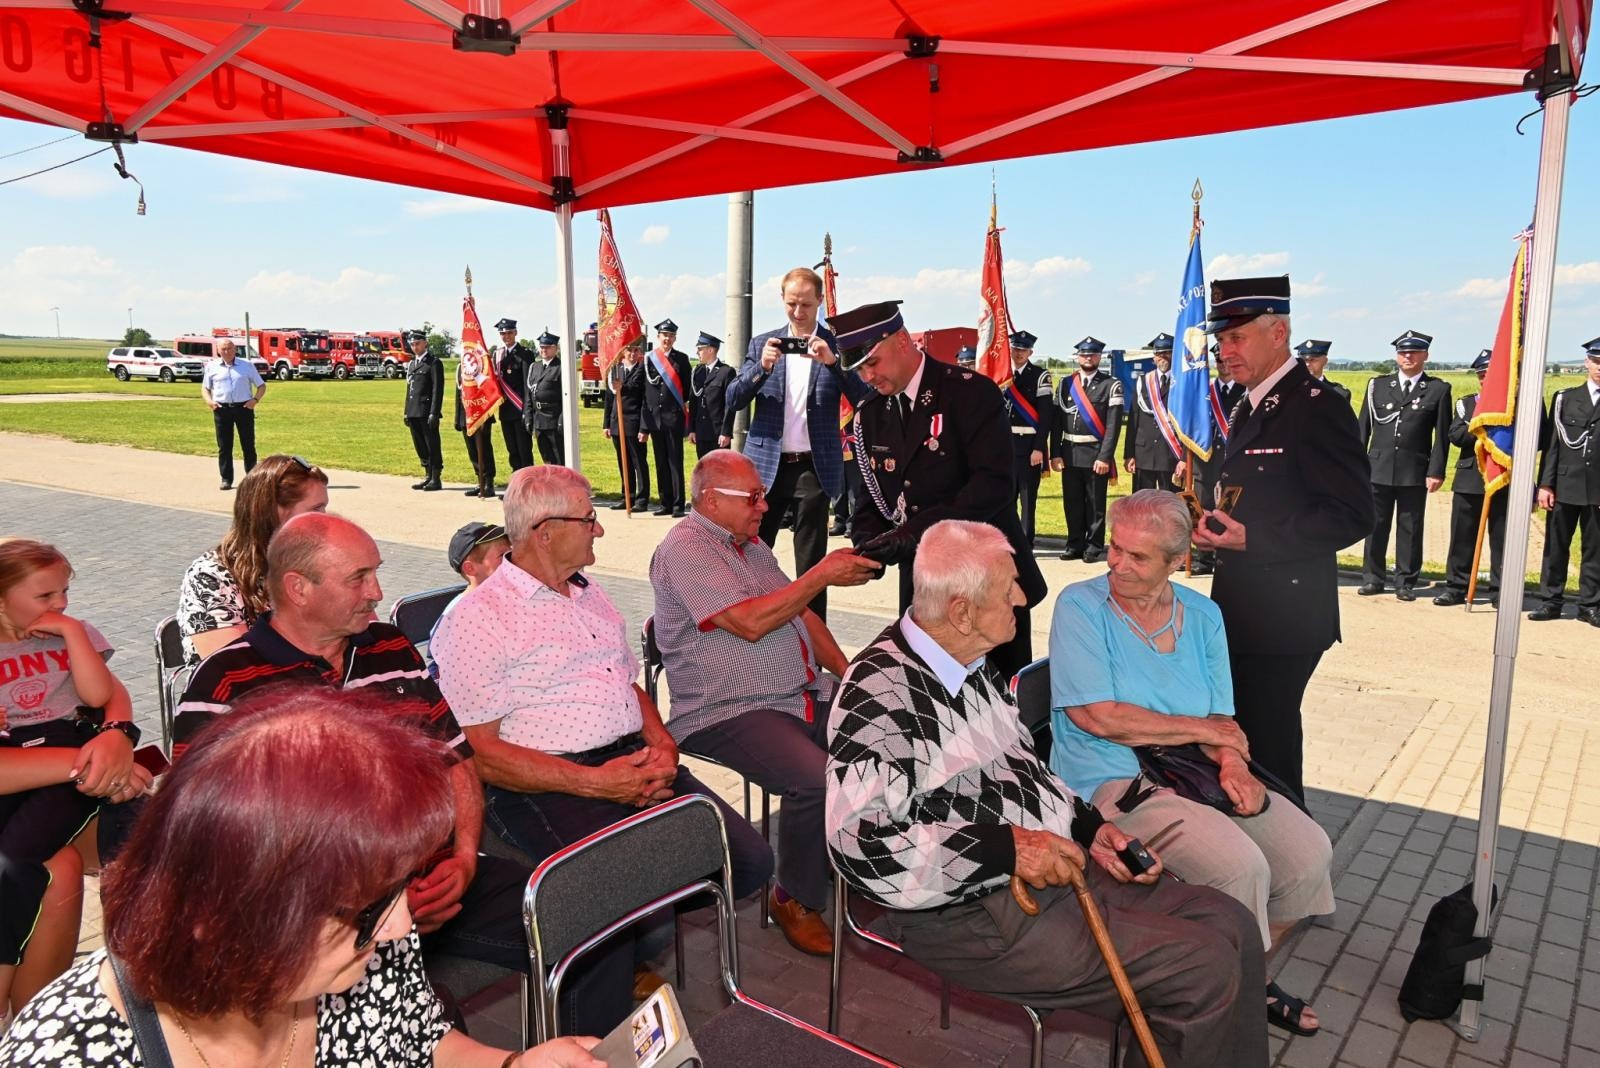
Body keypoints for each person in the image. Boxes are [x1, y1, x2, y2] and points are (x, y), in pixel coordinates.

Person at [827, 520, 1267, 1068]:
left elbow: (1023, 771)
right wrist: (1010, 847)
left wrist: (1091, 828)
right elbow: (859, 846)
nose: (1023, 596)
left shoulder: (965, 662)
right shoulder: (882, 694)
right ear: (962, 611)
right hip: (967, 912)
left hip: (1047, 871)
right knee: (1202, 968)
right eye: (1010, 585)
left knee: (1231, 923)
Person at [0, 692, 603, 1068]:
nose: (399, 928)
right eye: (368, 908)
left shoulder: (362, 949)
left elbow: (418, 1044)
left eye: (397, 889)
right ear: (234, 912)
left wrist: (512, 1065)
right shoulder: (71, 1050)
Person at [171, 513, 569, 1026]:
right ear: (298, 588)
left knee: (578, 916)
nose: (377, 592)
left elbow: (456, 759)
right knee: (428, 1023)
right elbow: (203, 836)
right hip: (322, 917)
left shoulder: (389, 648)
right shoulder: (226, 683)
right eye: (358, 578)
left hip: (437, 881)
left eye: (375, 573)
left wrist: (465, 858)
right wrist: (374, 904)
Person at [429, 467, 775, 1007]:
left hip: (628, 759)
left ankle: (638, 926)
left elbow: (625, 682)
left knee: (748, 862)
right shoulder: (479, 617)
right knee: (608, 904)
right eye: (590, 519)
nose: (601, 530)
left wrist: (661, 743)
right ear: (545, 531)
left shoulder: (588, 592)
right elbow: (483, 756)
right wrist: (598, 784)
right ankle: (608, 984)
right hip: (544, 783)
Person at [1048, 490, 1335, 1037]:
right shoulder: (1081, 606)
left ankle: (1245, 979)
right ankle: (1224, 1012)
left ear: (1176, 562)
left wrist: (1233, 765)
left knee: (1307, 855)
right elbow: (1099, 718)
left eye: (1138, 557)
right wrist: (1207, 733)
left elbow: (1221, 715)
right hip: (1114, 777)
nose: (1117, 564)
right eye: (1114, 548)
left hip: (1195, 771)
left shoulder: (1203, 614)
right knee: (1240, 866)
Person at [650, 451, 881, 955]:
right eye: (752, 496)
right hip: (726, 709)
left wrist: (848, 676)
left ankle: (861, 865)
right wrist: (817, 576)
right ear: (710, 500)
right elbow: (750, 622)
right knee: (815, 779)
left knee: (882, 737)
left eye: (762, 494)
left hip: (795, 696)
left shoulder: (750, 546)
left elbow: (801, 615)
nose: (764, 504)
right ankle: (793, 897)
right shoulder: (685, 548)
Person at [1191, 276, 1374, 804]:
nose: (1224, 352)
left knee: (1267, 740)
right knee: (1251, 731)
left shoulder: (1317, 405)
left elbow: (1352, 514)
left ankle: (1291, 850)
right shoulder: (1254, 402)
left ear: (1280, 333)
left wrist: (1253, 539)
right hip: (1248, 605)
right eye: (1221, 341)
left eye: (1237, 338)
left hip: (1286, 615)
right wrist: (1220, 531)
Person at [836, 300, 1048, 679]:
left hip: (987, 580)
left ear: (902, 341)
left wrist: (912, 535)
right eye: (859, 368)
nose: (866, 376)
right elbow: (873, 496)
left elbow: (993, 486)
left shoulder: (970, 394)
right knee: (928, 694)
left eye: (872, 362)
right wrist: (869, 544)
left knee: (1003, 699)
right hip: (924, 583)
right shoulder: (871, 412)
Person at [0, 539, 148, 1028]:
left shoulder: (67, 635)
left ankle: (135, 977)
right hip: (40, 765)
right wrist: (100, 764)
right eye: (45, 597)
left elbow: (103, 693)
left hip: (64, 756)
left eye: (63, 591)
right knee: (30, 864)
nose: (60, 604)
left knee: (131, 845)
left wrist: (114, 741)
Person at [727, 267, 871, 620]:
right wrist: (760, 369)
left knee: (811, 568)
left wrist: (834, 364)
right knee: (752, 556)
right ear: (781, 300)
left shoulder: (837, 345)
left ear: (820, 301)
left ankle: (812, 650)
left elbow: (866, 398)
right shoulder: (763, 343)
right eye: (791, 303)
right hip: (765, 468)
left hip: (813, 468)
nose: (798, 312)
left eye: (806, 304)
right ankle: (753, 631)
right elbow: (733, 399)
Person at [176, 454, 329, 663]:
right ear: (272, 513)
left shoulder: (319, 564)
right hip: (241, 691)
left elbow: (365, 638)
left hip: (323, 688)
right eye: (316, 509)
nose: (325, 520)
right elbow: (232, 670)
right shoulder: (210, 577)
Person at [1357, 330, 1452, 600]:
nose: (1407, 356)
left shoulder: (1437, 389)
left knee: (1410, 527)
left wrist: (1436, 470)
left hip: (1414, 470)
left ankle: (1405, 582)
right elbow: (1363, 428)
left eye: (1413, 352)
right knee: (1375, 525)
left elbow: (1441, 437)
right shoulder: (1377, 385)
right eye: (1402, 352)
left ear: (1425, 356)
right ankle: (1373, 578)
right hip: (1378, 467)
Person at [1529, 337, 1600, 624]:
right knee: (1556, 546)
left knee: (1595, 549)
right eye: (1595, 360)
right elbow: (1553, 446)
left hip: (1597, 489)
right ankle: (1550, 601)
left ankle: (1590, 605)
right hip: (1564, 485)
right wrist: (1545, 484)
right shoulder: (1565, 398)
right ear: (1586, 362)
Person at [1435, 350, 1508, 607]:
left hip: (1503, 477)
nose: (1485, 379)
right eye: (1482, 375)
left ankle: (1501, 590)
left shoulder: (1514, 404)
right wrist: (1484, 426)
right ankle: (1456, 586)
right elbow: (1455, 435)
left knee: (1502, 538)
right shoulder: (1467, 404)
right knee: (1462, 536)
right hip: (1470, 478)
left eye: (1491, 375)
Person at [1050, 336, 1123, 563]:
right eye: (1083, 354)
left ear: (1099, 357)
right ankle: (1074, 544)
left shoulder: (1111, 385)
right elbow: (1056, 422)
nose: (1087, 358)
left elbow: (1113, 427)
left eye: (1092, 354)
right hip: (1070, 450)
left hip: (1095, 453)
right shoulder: (1065, 384)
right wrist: (1055, 453)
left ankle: (1093, 545)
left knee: (1094, 503)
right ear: (1078, 357)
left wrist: (1105, 457)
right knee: (1071, 501)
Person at [1181, 351, 1245, 577]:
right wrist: (1182, 460)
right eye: (1219, 361)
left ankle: (1224, 556)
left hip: (1230, 463)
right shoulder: (1202, 392)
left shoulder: (1245, 392)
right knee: (1198, 509)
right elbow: (1186, 427)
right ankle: (1203, 558)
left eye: (1228, 360)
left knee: (1227, 511)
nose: (1224, 365)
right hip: (1202, 462)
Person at [1002, 329, 1055, 545]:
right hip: (1005, 445)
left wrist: (1038, 448)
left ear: (1030, 352)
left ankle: (1025, 541)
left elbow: (1046, 417)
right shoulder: (1002, 375)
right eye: (1015, 348)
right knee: (1006, 498)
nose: (1018, 353)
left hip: (1028, 445)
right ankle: (1008, 539)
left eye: (1023, 350)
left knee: (1027, 498)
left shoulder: (1040, 376)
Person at [200, 337, 266, 492]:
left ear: (235, 349)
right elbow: (205, 388)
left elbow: (262, 386)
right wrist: (209, 402)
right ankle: (226, 479)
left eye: (229, 348)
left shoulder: (247, 366)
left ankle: (252, 479)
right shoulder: (212, 367)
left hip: (244, 408)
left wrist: (255, 400)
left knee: (248, 445)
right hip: (221, 410)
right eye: (223, 349)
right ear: (218, 350)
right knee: (224, 446)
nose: (226, 351)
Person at [643, 319, 692, 516]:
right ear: (658, 337)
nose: (668, 339)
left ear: (675, 338)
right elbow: (646, 391)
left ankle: (679, 504)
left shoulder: (681, 359)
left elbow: (686, 389)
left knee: (674, 462)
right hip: (656, 419)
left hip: (673, 418)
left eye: (671, 336)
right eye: (665, 335)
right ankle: (665, 503)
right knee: (660, 461)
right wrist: (645, 424)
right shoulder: (649, 359)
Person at [1123, 333, 1181, 492]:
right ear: (1153, 357)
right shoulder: (1143, 381)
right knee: (1141, 506)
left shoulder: (1181, 382)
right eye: (1158, 353)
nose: (1162, 357)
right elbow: (1134, 419)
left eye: (1167, 352)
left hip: (1171, 454)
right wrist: (1129, 454)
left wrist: (1184, 458)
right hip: (1143, 454)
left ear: (1174, 354)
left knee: (1169, 507)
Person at [603, 342, 651, 512]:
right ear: (623, 351)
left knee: (638, 462)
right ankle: (627, 496)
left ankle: (642, 499)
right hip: (617, 423)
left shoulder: (642, 369)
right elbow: (609, 399)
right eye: (629, 350)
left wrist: (644, 428)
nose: (632, 353)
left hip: (634, 422)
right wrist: (606, 424)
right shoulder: (615, 369)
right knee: (623, 462)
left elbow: (645, 399)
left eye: (636, 350)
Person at [454, 343, 498, 499]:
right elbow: (458, 394)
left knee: (484, 448)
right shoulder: (461, 368)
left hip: (481, 414)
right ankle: (479, 480)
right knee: (472, 449)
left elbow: (487, 390)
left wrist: (486, 415)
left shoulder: (481, 365)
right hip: (465, 415)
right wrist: (458, 419)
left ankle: (489, 482)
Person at [404, 329, 446, 492]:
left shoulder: (434, 363)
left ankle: (436, 477)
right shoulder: (412, 364)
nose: (415, 347)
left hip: (427, 411)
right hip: (413, 410)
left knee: (432, 444)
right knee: (419, 444)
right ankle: (427, 474)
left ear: (425, 343)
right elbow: (409, 390)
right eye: (412, 344)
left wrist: (434, 412)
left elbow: (437, 390)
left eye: (418, 343)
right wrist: (406, 411)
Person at [493, 317, 537, 472]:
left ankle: (527, 483)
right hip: (505, 409)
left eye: (509, 333)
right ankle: (517, 481)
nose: (506, 336)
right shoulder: (497, 355)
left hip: (520, 409)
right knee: (512, 450)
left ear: (516, 333)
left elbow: (528, 385)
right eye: (503, 334)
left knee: (524, 450)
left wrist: (527, 411)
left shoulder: (525, 354)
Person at [688, 332, 735, 460]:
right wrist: (691, 429)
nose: (697, 352)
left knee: (720, 472)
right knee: (704, 471)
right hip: (701, 432)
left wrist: (726, 432)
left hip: (718, 434)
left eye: (700, 349)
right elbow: (693, 403)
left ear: (710, 350)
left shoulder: (726, 372)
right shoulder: (697, 372)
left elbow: (729, 406)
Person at [526, 329, 566, 466]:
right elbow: (530, 395)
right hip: (539, 420)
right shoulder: (534, 367)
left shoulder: (561, 367)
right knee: (546, 457)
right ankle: (551, 486)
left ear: (556, 348)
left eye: (547, 347)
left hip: (554, 419)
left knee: (559, 458)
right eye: (542, 347)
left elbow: (565, 398)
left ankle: (562, 487)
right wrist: (528, 417)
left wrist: (562, 420)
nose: (544, 350)